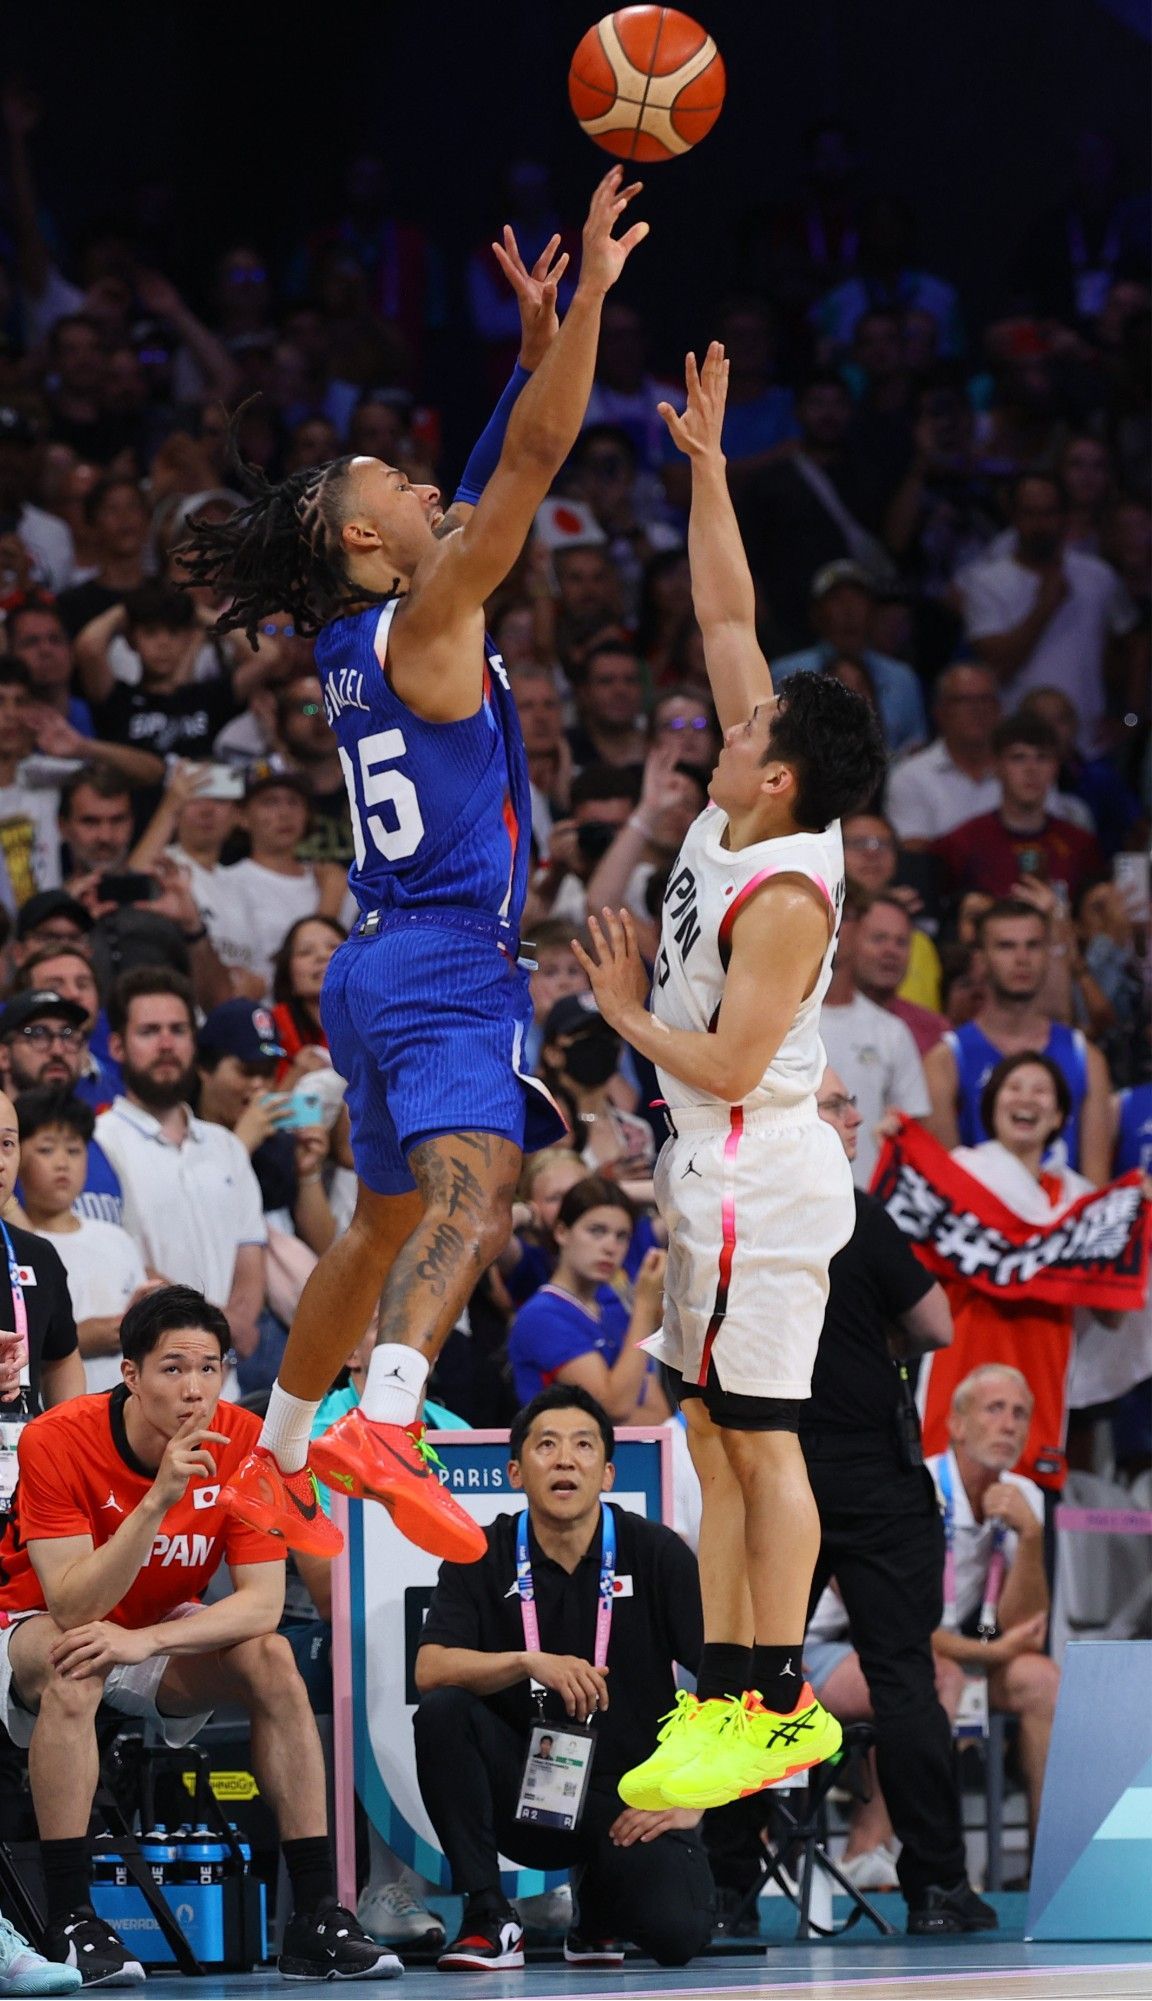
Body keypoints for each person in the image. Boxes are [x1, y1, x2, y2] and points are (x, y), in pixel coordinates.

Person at [177, 169, 650, 1561]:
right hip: (444, 956)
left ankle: (272, 1457)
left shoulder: (355, 643)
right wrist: (594, 314)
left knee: (379, 1223)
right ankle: (389, 1419)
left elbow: (496, 463)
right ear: (370, 543)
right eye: (400, 482)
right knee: (479, 1191)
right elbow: (532, 469)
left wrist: (525, 352)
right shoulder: (435, 619)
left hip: (375, 959)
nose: (431, 482)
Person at [573, 342, 887, 1811]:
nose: (726, 715)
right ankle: (733, 1690)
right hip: (710, 1160)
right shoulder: (754, 793)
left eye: (748, 728)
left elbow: (738, 1059)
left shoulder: (786, 896)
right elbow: (726, 605)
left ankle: (771, 1707)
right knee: (707, 1425)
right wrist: (706, 466)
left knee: (765, 1442)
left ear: (778, 781)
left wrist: (626, 1013)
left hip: (757, 1156)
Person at [0, 1285, 401, 1987]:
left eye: (210, 1368)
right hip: (34, 1624)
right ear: (131, 1374)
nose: (195, 1388)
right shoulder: (57, 1437)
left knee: (273, 1658)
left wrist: (146, 1642)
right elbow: (72, 1600)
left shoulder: (247, 1441)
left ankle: (316, 1916)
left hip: (149, 1633)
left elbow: (262, 1605)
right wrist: (157, 1496)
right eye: (174, 1368)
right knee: (75, 1662)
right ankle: (71, 1919)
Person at [787, 1069, 995, 1933]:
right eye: (836, 1103)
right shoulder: (853, 1212)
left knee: (749, 1682)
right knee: (905, 1677)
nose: (855, 1115)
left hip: (777, 1471)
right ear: (798, 1120)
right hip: (872, 1470)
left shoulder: (739, 1222)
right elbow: (938, 1327)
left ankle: (724, 1889)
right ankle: (938, 1889)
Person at [413, 1385, 712, 1970]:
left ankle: (599, 1909)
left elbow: (730, 1685)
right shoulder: (481, 1553)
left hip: (630, 1795)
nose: (565, 1459)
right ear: (515, 1472)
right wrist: (527, 1661)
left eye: (583, 1446)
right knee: (444, 1712)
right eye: (546, 1446)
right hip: (525, 1790)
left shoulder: (656, 1553)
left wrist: (695, 1798)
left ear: (606, 1473)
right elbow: (431, 1668)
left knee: (679, 1937)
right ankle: (487, 1914)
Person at [917, 1052, 1101, 1492]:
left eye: (1042, 1092)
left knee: (1030, 1537)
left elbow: (1111, 1313)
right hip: (957, 1359)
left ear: (1058, 1115)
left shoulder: (1083, 1202)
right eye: (1014, 1087)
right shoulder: (954, 1176)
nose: (1027, 1099)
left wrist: (1137, 1215)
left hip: (1043, 1371)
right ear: (993, 1104)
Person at [94, 969, 268, 1390]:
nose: (167, 1044)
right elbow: (128, 1260)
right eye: (150, 1031)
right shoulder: (99, 1142)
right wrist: (209, 1324)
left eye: (178, 1030)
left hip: (224, 1382)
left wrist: (237, 1323)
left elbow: (250, 1254)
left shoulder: (225, 1144)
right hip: (144, 1377)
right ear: (117, 1045)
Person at [929, 1365, 1059, 1853]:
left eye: (1020, 1414)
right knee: (933, 1674)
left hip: (969, 1649)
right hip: (853, 1643)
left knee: (1042, 1678)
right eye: (995, 1409)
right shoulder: (921, 1487)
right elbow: (899, 1629)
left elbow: (1027, 1628)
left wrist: (1030, 1538)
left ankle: (1047, 1867)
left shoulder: (1025, 1496)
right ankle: (934, 1862)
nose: (1009, 1424)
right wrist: (995, 1651)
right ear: (958, 1425)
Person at [923, 896, 1111, 1182]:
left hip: (1066, 1220)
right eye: (1006, 946)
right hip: (980, 1220)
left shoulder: (1086, 1057)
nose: (1022, 958)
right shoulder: (945, 1060)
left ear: (1048, 953)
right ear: (981, 958)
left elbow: (1096, 1185)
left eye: (1033, 945)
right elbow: (946, 1184)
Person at [956, 470, 1139, 751]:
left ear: (1066, 517)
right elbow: (997, 664)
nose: (1040, 525)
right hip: (1015, 750)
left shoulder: (1098, 576)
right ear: (1014, 516)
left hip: (1089, 747)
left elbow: (1136, 641)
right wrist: (1045, 606)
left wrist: (1130, 718)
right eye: (1030, 513)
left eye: (1049, 513)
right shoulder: (985, 582)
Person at [14, 1086, 152, 1395]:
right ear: (17, 1156)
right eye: (46, 1149)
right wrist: (79, 1337)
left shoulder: (116, 1239)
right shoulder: (17, 1246)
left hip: (124, 1402)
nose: (62, 1162)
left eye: (74, 1150)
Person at [507, 1176, 667, 1420]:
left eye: (621, 1236)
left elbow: (657, 1414)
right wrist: (645, 1307)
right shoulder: (541, 1316)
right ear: (561, 1232)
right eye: (596, 1231)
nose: (610, 1247)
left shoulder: (613, 1309)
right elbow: (614, 1406)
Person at [819, 887, 932, 1187]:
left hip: (870, 1201)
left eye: (849, 918)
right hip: (795, 1199)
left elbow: (912, 1134)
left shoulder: (891, 1031)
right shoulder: (780, 1022)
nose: (837, 927)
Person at [933, 713, 1104, 904]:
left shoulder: (1081, 845)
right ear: (996, 766)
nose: (1031, 769)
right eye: (1018, 757)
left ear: (1055, 767)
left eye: (1043, 758)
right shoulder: (961, 843)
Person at [771, 559, 927, 757]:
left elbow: (916, 746)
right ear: (816, 612)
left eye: (858, 598)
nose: (849, 609)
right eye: (836, 599)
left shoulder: (902, 677)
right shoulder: (785, 673)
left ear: (873, 611)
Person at [0, 985, 124, 1221]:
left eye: (68, 1034)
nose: (57, 1049)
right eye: (37, 1034)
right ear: (3, 1055)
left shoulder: (103, 1138)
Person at [885, 661, 1004, 846]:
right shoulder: (910, 777)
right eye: (963, 700)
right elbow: (916, 857)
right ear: (939, 712)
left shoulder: (1024, 769)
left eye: (985, 699)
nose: (977, 709)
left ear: (999, 710)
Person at [853, 892, 948, 1057]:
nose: (891, 951)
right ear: (848, 942)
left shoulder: (935, 1032)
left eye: (901, 942)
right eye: (878, 939)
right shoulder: (812, 1021)